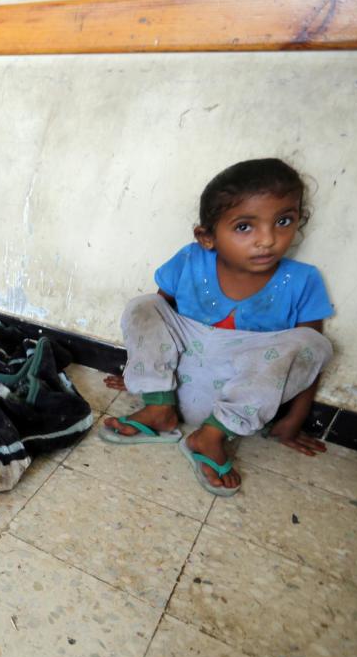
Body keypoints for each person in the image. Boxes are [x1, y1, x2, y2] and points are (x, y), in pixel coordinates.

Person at [101, 158, 334, 497]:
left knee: (315, 343)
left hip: (238, 396)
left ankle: (211, 436)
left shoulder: (302, 280)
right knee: (143, 305)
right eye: (245, 227)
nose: (267, 240)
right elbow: (155, 321)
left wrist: (293, 421)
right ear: (207, 237)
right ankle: (159, 408)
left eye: (284, 221)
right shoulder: (190, 259)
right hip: (180, 381)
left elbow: (306, 358)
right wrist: (140, 372)